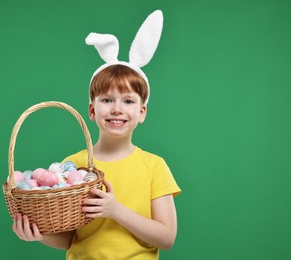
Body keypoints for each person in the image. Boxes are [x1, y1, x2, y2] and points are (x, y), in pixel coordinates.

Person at [12, 10, 181, 259]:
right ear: (92, 110)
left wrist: (115, 210)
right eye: (107, 99)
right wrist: (40, 234)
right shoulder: (74, 166)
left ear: (142, 112)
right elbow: (72, 238)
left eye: (128, 101)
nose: (117, 109)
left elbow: (166, 238)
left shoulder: (154, 167)